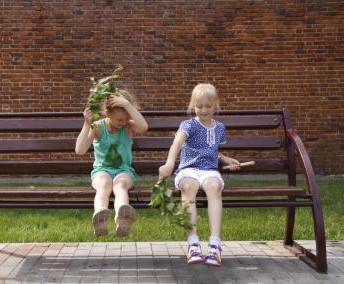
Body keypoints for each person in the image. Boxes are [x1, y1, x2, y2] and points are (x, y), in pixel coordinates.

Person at [158, 83, 240, 266]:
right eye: (199, 106)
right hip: (188, 169)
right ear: (192, 105)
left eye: (208, 106)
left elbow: (212, 151)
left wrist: (227, 160)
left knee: (214, 187)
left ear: (216, 105)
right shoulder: (189, 125)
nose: (203, 110)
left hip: (209, 171)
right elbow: (177, 144)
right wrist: (170, 163)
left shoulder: (219, 128)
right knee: (188, 187)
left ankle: (215, 244)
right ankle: (193, 243)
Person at [75, 90, 148, 237]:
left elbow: (144, 127)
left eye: (126, 119)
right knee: (104, 184)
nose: (123, 123)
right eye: (119, 120)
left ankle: (121, 218)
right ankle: (100, 218)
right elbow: (80, 150)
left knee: (120, 185)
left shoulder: (128, 126)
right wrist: (86, 125)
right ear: (107, 114)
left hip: (124, 171)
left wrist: (127, 105)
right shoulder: (98, 127)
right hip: (101, 171)